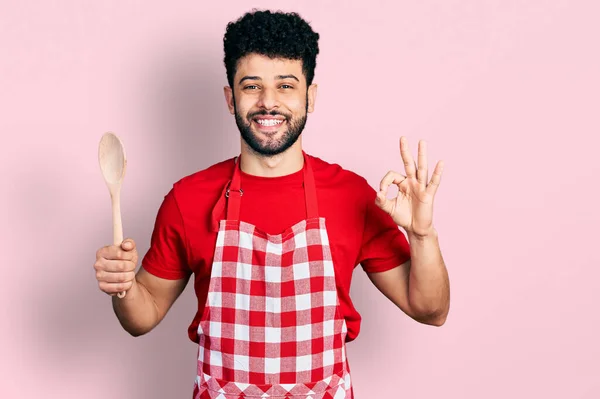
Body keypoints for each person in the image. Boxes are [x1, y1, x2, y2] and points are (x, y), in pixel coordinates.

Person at [94, 9, 450, 399]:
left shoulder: (352, 196)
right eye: (251, 86)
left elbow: (430, 311)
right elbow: (142, 317)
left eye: (285, 86)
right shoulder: (188, 199)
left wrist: (422, 234)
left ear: (309, 96)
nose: (268, 102)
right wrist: (124, 288)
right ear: (230, 98)